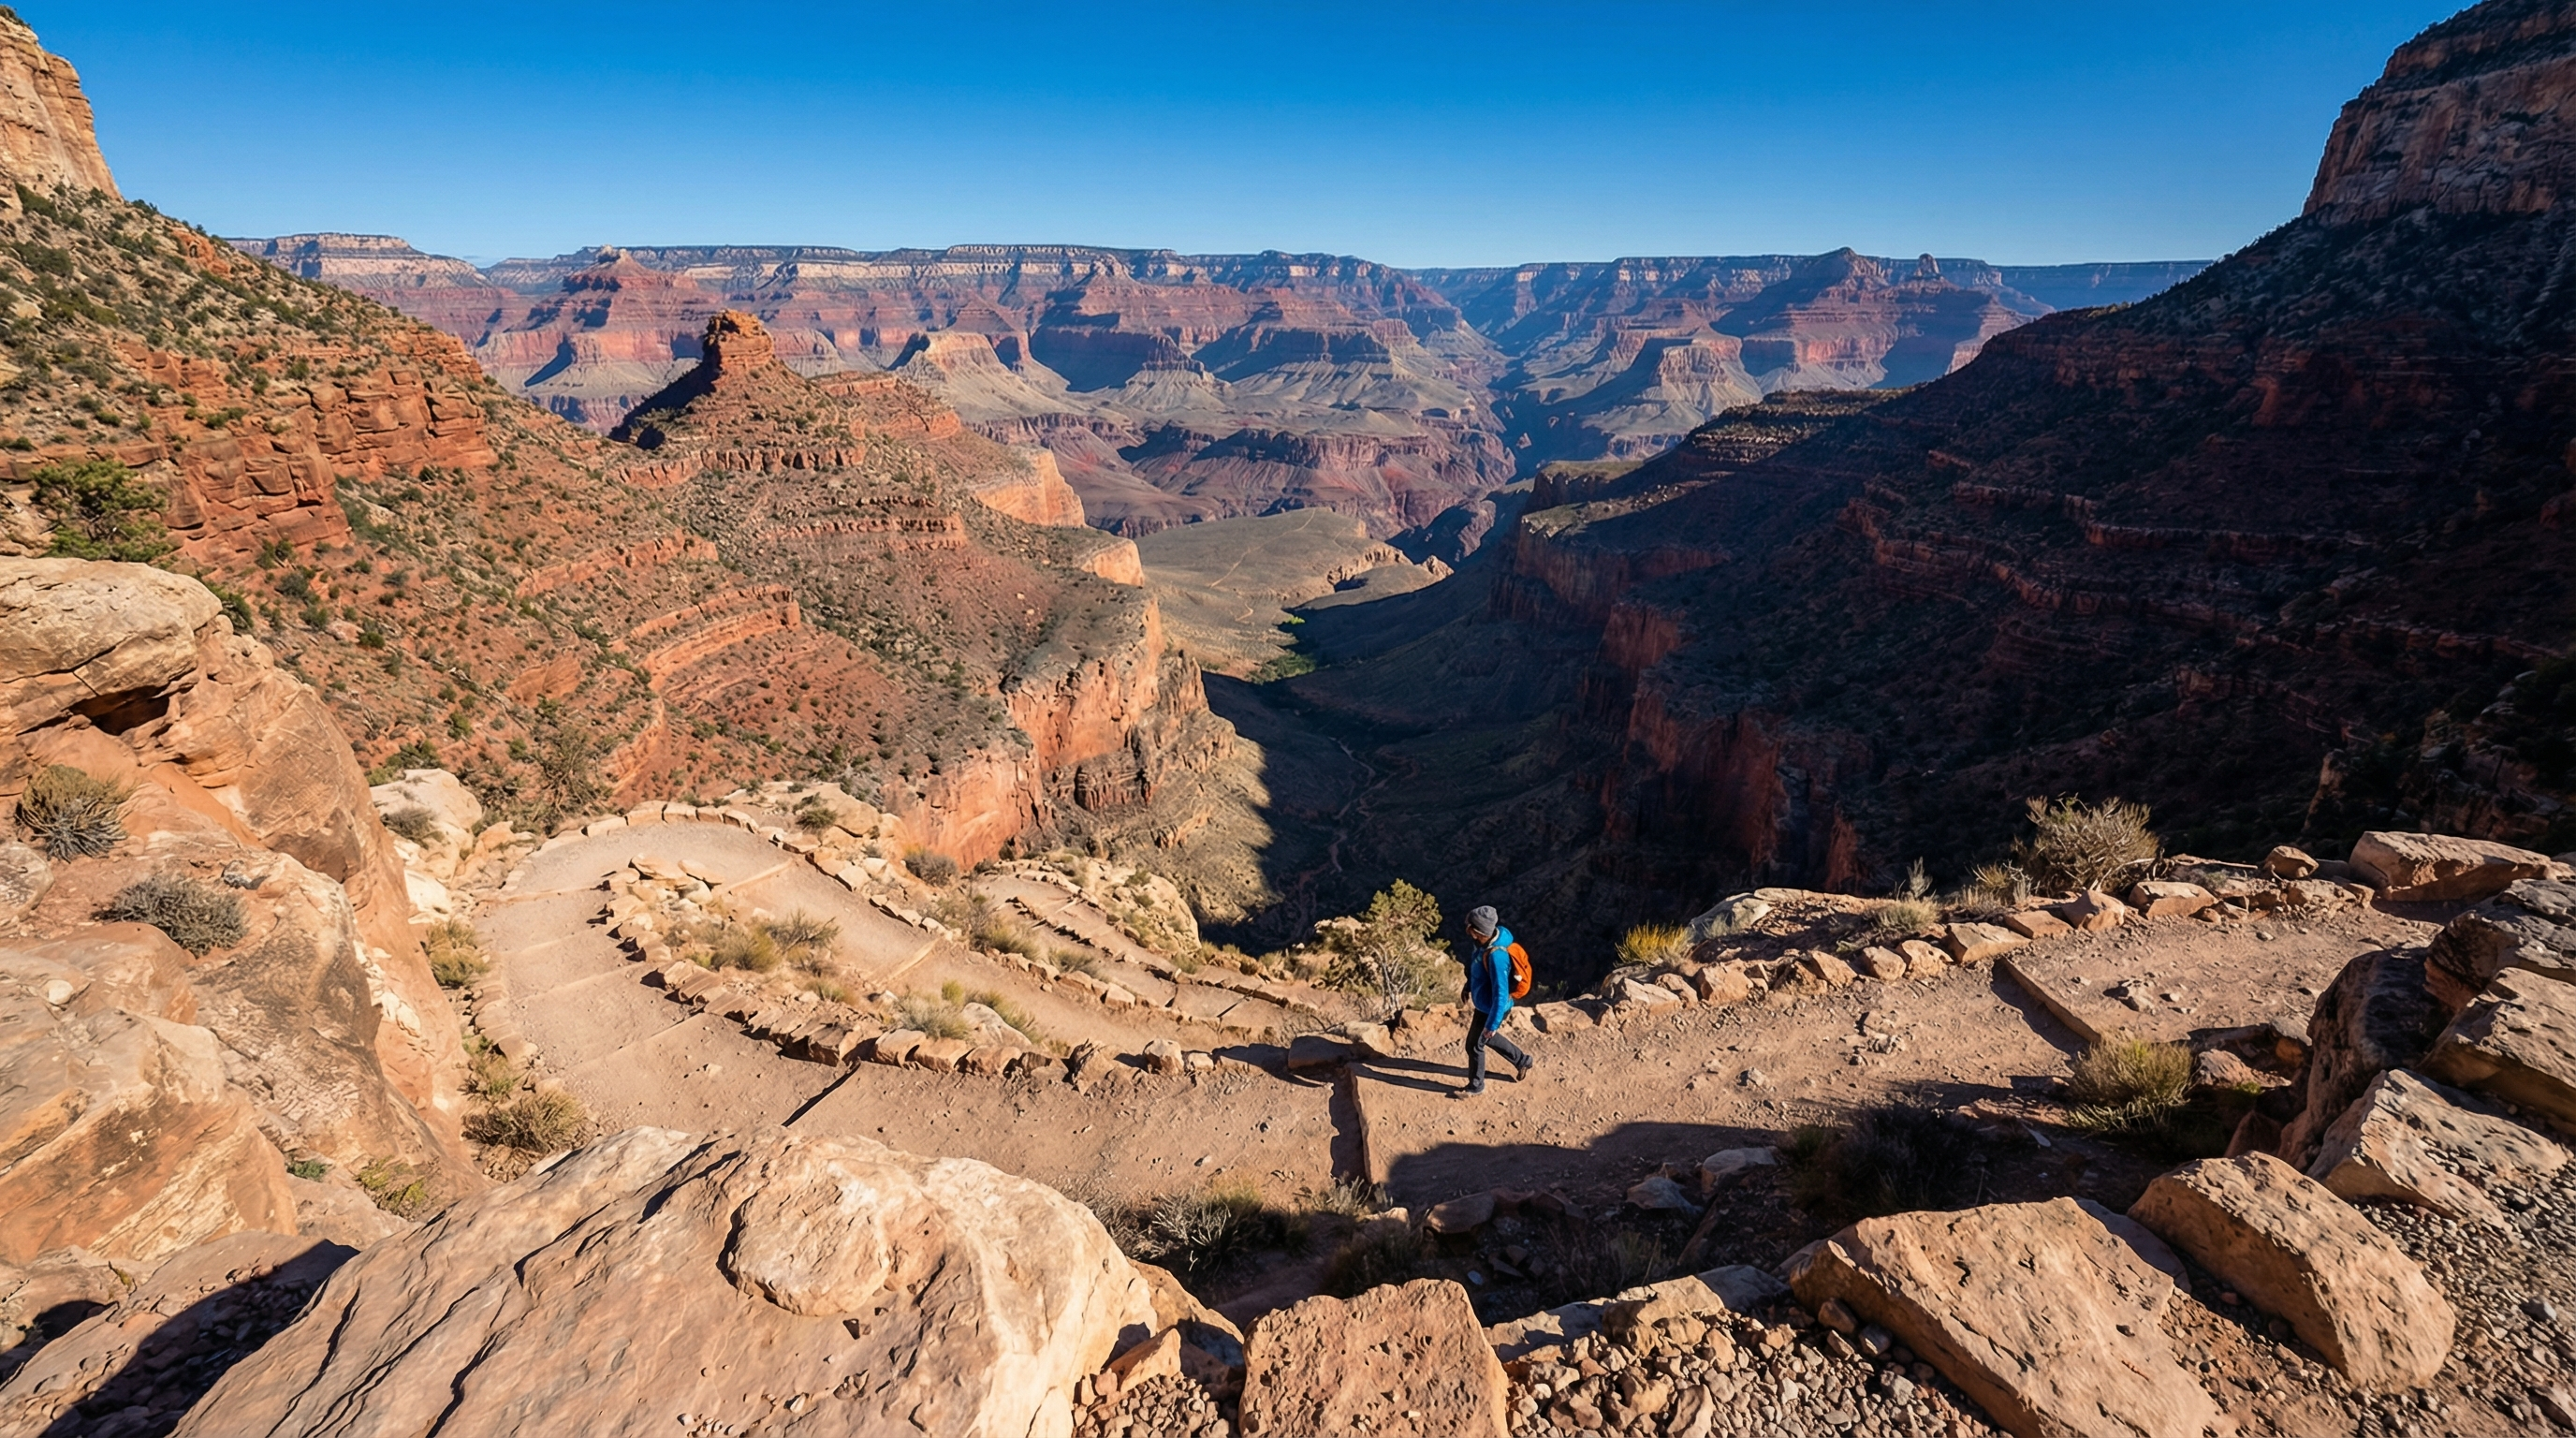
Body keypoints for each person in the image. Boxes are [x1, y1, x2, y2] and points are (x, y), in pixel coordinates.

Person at [1457, 904, 1532, 1096]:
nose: (1466, 928)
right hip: (1484, 1004)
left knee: (1475, 1044)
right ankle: (1522, 1061)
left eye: (1470, 926)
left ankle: (1476, 1086)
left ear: (1477, 930)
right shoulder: (1483, 944)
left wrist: (1492, 1024)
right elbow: (1478, 971)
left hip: (1493, 1007)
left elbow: (1501, 993)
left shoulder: (1497, 956)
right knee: (1483, 1040)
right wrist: (1468, 987)